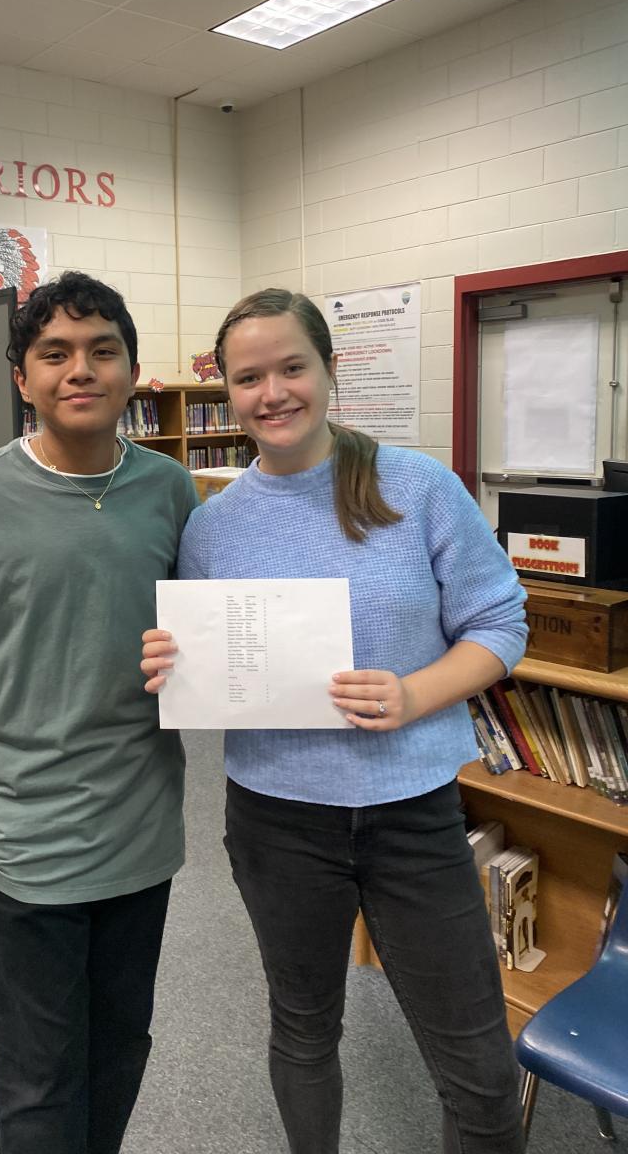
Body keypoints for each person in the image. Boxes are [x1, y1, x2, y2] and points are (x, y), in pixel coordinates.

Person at [141, 288, 528, 1154]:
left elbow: (501, 625)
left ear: (328, 370)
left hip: (413, 815)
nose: (272, 392)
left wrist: (415, 694)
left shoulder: (418, 487)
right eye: (249, 378)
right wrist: (177, 664)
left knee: (478, 1067)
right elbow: (216, 668)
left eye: (292, 367)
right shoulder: (213, 527)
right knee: (305, 1027)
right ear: (227, 391)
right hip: (278, 820)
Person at [0, 271, 197, 1154]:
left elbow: (205, 636)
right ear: (22, 378)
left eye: (103, 350)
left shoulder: (171, 490)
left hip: (141, 828)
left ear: (132, 370)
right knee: (38, 1075)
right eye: (54, 353)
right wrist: (5, 774)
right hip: (27, 838)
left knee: (119, 1046)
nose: (81, 369)